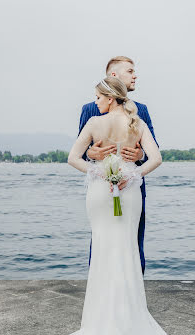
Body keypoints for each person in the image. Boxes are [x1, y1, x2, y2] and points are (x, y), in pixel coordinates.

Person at [47, 76, 187, 335]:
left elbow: (72, 158)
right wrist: (133, 174)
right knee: (126, 252)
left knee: (104, 252)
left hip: (100, 192)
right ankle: (130, 322)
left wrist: (99, 171)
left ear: (109, 98)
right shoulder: (137, 124)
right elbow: (157, 158)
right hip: (129, 190)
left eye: (98, 97)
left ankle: (99, 327)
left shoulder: (95, 124)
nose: (95, 102)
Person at [79, 56, 159, 276]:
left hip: (132, 186)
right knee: (101, 240)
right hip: (102, 187)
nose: (135, 76)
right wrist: (90, 153)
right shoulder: (90, 109)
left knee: (134, 241)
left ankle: (134, 291)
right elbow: (82, 150)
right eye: (130, 71)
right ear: (114, 76)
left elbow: (153, 150)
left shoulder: (141, 109)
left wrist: (140, 153)